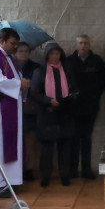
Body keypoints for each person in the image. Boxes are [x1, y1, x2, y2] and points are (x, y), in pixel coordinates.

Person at [0, 28, 28, 194]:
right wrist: (18, 85)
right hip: (1, 110)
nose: (15, 47)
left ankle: (10, 181)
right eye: (12, 43)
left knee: (11, 144)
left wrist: (21, 83)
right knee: (1, 146)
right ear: (1, 41)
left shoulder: (8, 57)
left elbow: (14, 77)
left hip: (11, 106)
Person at [30, 43, 79, 186]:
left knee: (65, 147)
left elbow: (75, 89)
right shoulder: (40, 71)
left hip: (65, 113)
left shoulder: (67, 70)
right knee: (47, 149)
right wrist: (48, 101)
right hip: (47, 114)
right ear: (47, 55)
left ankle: (65, 175)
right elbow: (33, 93)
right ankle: (46, 176)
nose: (55, 56)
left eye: (57, 53)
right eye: (52, 54)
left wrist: (69, 98)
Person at [68, 34, 105, 180]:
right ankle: (72, 169)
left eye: (85, 43)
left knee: (86, 138)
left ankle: (86, 169)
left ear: (89, 45)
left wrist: (95, 96)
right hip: (73, 107)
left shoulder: (97, 62)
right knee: (73, 138)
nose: (83, 46)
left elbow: (103, 81)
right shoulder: (69, 61)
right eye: (80, 43)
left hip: (90, 106)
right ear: (76, 45)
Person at [15, 41, 40, 182]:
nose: (23, 53)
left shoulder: (35, 67)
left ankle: (29, 169)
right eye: (20, 51)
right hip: (13, 105)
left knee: (30, 139)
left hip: (29, 107)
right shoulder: (10, 66)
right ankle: (18, 168)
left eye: (26, 51)